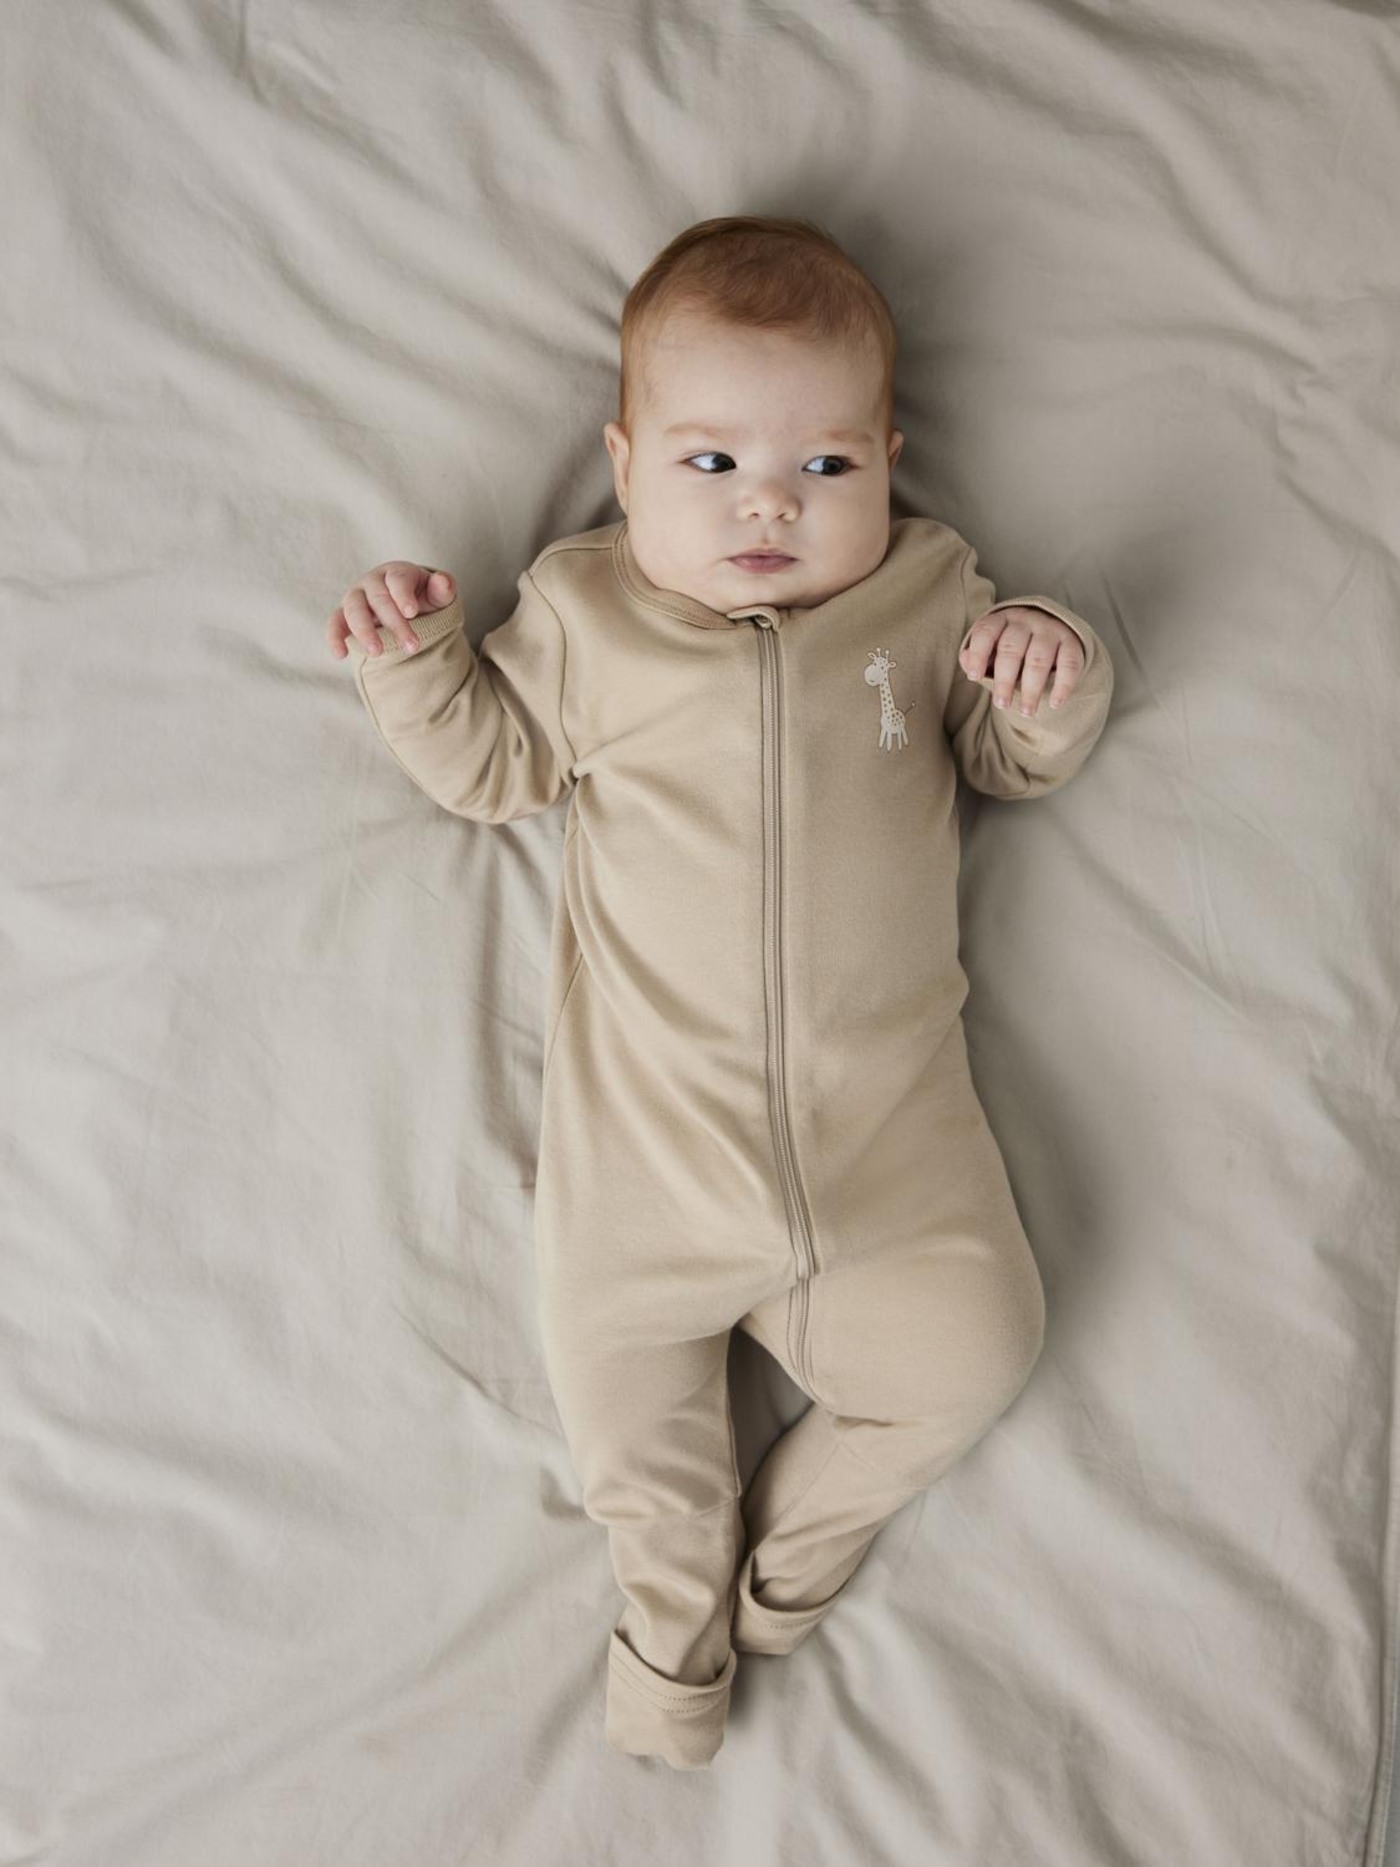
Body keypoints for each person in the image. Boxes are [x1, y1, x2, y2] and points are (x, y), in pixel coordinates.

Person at [325, 215, 1114, 1771]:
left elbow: (1009, 760)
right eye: (711, 463)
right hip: (646, 1169)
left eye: (826, 465)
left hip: (890, 1157)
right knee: (640, 1457)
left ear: (889, 462)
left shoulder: (926, 598)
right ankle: (672, 1666)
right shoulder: (588, 617)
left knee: (980, 1351)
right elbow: (494, 768)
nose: (770, 502)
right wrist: (414, 664)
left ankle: (789, 1572)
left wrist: (1046, 673)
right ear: (624, 467)